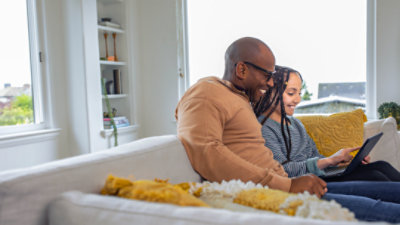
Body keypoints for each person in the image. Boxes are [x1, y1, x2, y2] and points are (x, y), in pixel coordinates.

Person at [175, 37, 400, 222]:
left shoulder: (239, 98)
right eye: (266, 75)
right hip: (273, 194)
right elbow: (205, 150)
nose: (271, 83)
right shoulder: (206, 92)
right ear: (241, 69)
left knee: (390, 191)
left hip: (288, 186)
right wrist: (287, 184)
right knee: (387, 210)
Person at [254, 65, 400, 182]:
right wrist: (330, 161)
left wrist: (339, 161)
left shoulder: (296, 124)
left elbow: (315, 157)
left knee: (381, 166)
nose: (298, 100)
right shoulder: (264, 128)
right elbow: (282, 169)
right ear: (270, 92)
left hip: (320, 175)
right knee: (374, 176)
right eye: (291, 93)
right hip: (304, 182)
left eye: (299, 93)